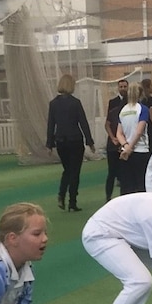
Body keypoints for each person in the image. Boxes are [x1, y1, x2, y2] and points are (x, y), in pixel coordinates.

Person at [46, 73, 95, 211]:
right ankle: (72, 202)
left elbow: (51, 125)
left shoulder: (53, 104)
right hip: (75, 140)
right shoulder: (75, 103)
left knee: (67, 170)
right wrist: (89, 141)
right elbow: (83, 123)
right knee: (75, 171)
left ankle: (61, 194)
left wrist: (49, 144)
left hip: (61, 141)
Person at [115, 82, 151, 194]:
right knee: (141, 185)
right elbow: (139, 131)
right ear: (141, 94)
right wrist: (130, 148)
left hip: (125, 152)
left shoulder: (123, 110)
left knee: (127, 187)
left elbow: (119, 133)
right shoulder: (143, 109)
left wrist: (125, 146)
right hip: (140, 150)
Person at [104, 79, 128, 201]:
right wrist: (113, 137)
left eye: (125, 86)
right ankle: (108, 196)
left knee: (122, 173)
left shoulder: (131, 110)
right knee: (112, 172)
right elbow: (107, 124)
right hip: (114, 144)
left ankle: (122, 196)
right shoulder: (113, 107)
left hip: (123, 144)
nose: (123, 88)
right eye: (121, 86)